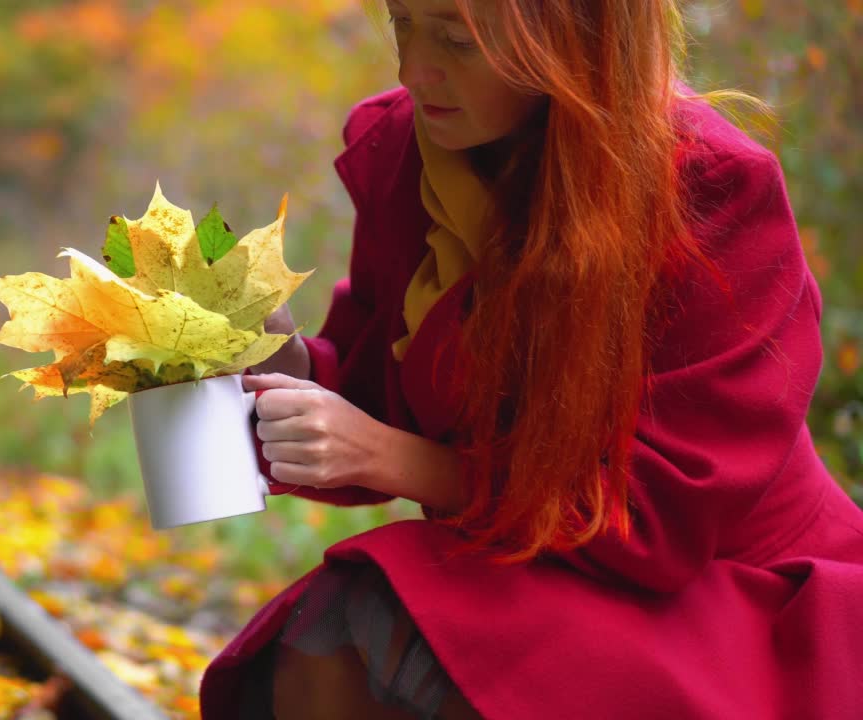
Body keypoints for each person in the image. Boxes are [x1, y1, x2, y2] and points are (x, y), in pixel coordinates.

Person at [197, 0, 863, 718]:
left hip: (733, 602)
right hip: (533, 566)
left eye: (457, 38)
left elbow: (655, 521)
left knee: (373, 616)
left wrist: (397, 460)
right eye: (403, 24)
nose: (414, 69)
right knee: (331, 640)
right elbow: (380, 399)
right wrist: (279, 361)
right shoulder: (412, 148)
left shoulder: (711, 188)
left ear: (571, 35)